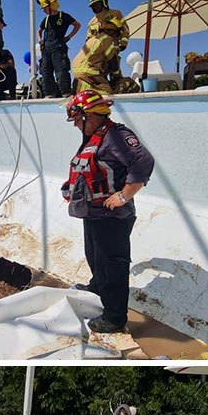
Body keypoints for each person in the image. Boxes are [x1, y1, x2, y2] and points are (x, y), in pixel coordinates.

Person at [62, 90, 154, 334]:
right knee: (94, 255)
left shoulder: (116, 135)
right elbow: (90, 167)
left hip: (112, 216)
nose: (76, 126)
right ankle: (98, 287)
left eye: (78, 121)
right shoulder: (94, 136)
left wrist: (124, 195)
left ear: (90, 116)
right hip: (93, 213)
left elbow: (143, 161)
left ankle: (114, 317)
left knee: (112, 264)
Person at [71, 0, 129, 95]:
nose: (95, 7)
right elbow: (88, 39)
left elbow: (124, 29)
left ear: (104, 3)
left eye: (97, 4)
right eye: (93, 6)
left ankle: (101, 84)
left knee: (110, 67)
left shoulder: (116, 14)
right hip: (98, 53)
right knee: (107, 72)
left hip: (111, 48)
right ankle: (102, 88)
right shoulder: (92, 22)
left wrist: (123, 43)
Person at [37, 0, 81, 98]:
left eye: (44, 8)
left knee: (61, 71)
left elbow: (77, 25)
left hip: (58, 48)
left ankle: (66, 93)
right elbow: (39, 30)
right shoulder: (46, 19)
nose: (43, 10)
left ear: (51, 5)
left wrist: (68, 37)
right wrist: (40, 40)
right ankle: (49, 94)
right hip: (46, 49)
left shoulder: (64, 16)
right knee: (46, 72)